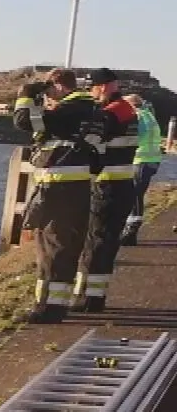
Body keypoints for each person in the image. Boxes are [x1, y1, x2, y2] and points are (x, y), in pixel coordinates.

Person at [14, 69, 108, 322]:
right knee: (65, 246)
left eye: (48, 92)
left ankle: (49, 309)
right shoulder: (94, 112)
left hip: (58, 187)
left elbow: (24, 121)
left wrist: (25, 96)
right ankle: (52, 304)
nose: (47, 99)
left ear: (58, 86)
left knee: (53, 247)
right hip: (77, 187)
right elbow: (99, 157)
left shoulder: (70, 109)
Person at [75, 70, 140, 310]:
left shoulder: (109, 114)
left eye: (91, 88)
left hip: (107, 185)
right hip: (123, 184)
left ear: (102, 87)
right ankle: (95, 296)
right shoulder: (127, 110)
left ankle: (86, 298)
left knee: (95, 242)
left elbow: (89, 147)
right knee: (107, 242)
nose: (91, 93)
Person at [123, 92, 164, 246]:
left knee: (134, 194)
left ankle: (131, 231)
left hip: (141, 160)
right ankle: (130, 229)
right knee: (136, 194)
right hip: (152, 160)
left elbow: (136, 137)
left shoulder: (138, 116)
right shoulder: (149, 115)